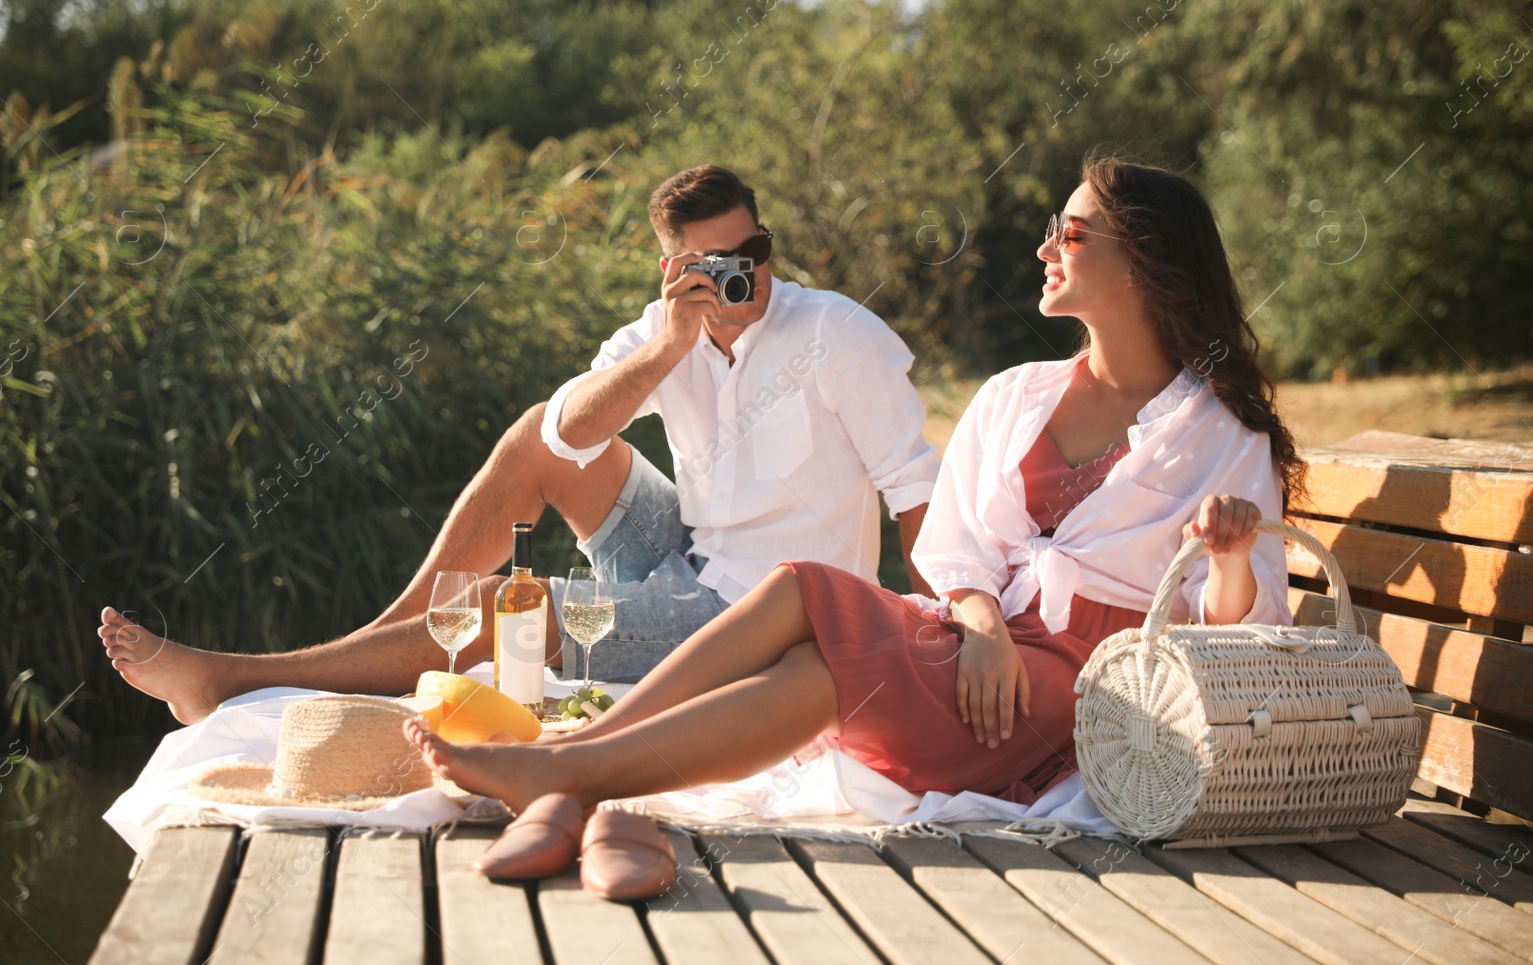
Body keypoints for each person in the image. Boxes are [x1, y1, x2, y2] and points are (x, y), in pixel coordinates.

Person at [401, 154, 1305, 821]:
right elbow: (955, 546)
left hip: (1093, 682)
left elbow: (1242, 632)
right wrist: (979, 625)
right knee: (803, 588)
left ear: (1145, 260)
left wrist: (1227, 556)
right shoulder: (1016, 394)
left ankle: (568, 768)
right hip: (988, 644)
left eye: (1070, 232)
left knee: (836, 655)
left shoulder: (1219, 432)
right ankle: (576, 755)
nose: (1043, 248)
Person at [100, 165, 941, 723]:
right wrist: (666, 350)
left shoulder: (837, 333)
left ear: (766, 240)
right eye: (713, 262)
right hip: (687, 555)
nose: (740, 276)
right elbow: (566, 435)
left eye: (752, 252)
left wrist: (954, 634)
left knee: (522, 617)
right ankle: (393, 639)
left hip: (753, 617)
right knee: (534, 431)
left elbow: (916, 492)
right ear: (672, 269)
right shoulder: (664, 334)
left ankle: (236, 678)